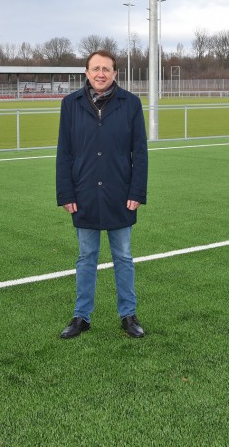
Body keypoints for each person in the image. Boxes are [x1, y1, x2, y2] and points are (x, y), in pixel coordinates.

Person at [56, 50, 149, 339]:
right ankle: (81, 316)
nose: (100, 73)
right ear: (86, 72)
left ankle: (128, 315)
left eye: (106, 69)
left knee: (123, 255)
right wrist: (65, 193)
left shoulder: (130, 104)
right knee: (86, 257)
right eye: (95, 68)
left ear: (115, 73)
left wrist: (137, 191)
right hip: (83, 193)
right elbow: (64, 152)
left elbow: (140, 153)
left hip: (120, 193)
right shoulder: (70, 104)